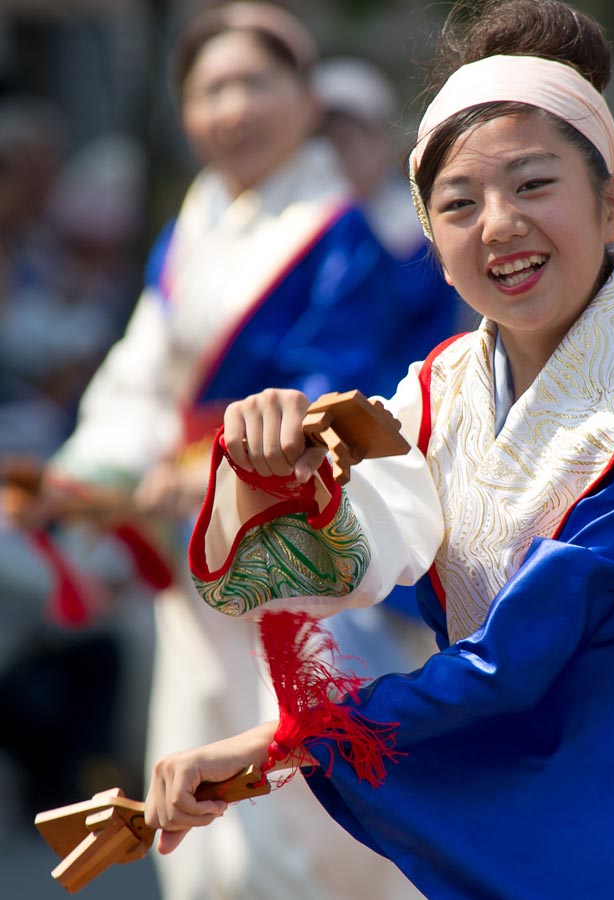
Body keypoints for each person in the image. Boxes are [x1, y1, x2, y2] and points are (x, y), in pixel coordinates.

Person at [145, 2, 614, 897]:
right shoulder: (440, 387)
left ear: (611, 202)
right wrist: (276, 472)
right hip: (515, 794)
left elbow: (515, 658)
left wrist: (289, 739)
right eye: (458, 204)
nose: (499, 224)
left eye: (532, 185)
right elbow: (357, 553)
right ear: (433, 247)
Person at [12, 3, 428, 899]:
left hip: (291, 537)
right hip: (192, 534)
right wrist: (93, 473)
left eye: (255, 83)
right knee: (202, 779)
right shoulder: (194, 224)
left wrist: (203, 468)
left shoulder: (341, 235)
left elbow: (333, 393)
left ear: (305, 97)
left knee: (305, 799)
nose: (233, 108)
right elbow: (139, 377)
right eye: (209, 90)